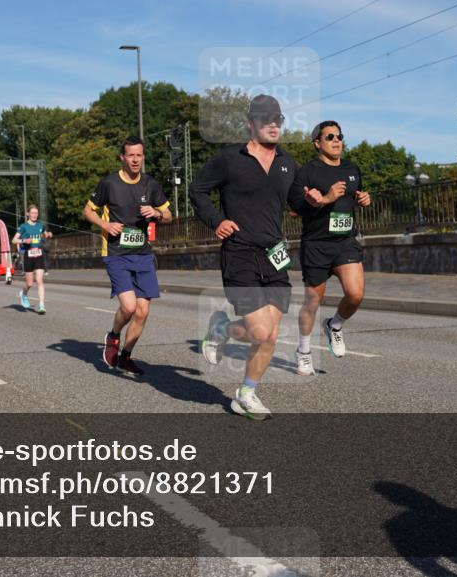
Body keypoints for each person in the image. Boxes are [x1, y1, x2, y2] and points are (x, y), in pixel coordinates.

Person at [189, 95, 297, 420]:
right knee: (262, 333)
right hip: (239, 252)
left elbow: (297, 201)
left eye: (278, 117)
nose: (273, 123)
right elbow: (197, 190)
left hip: (275, 254)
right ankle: (222, 330)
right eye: (265, 119)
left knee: (271, 334)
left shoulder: (287, 163)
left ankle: (245, 393)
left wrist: (320, 199)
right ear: (250, 124)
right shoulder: (228, 159)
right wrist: (216, 220)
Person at [83, 136, 172, 375]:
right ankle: (113, 336)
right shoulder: (109, 184)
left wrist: (156, 212)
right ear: (122, 157)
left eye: (139, 155)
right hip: (116, 253)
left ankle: (126, 356)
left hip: (143, 254)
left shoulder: (151, 184)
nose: (135, 160)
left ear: (143, 157)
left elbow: (169, 216)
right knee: (130, 307)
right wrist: (105, 224)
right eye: (130, 155)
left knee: (143, 311)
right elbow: (87, 211)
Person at [287, 120, 371, 374]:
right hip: (316, 244)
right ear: (317, 143)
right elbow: (293, 209)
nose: (337, 140)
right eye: (330, 137)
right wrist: (324, 199)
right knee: (313, 302)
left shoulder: (351, 169)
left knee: (355, 294)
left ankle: (334, 325)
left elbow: (353, 199)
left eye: (339, 136)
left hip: (345, 242)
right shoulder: (307, 172)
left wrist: (363, 199)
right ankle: (303, 350)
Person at [12, 205, 52, 314]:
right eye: (32, 213)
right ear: (28, 214)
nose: (34, 215)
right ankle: (24, 294)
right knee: (29, 284)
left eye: (36, 213)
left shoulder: (40, 225)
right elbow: (14, 240)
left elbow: (44, 234)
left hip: (39, 255)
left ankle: (42, 305)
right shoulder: (23, 227)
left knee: (40, 280)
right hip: (28, 256)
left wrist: (48, 235)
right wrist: (24, 240)